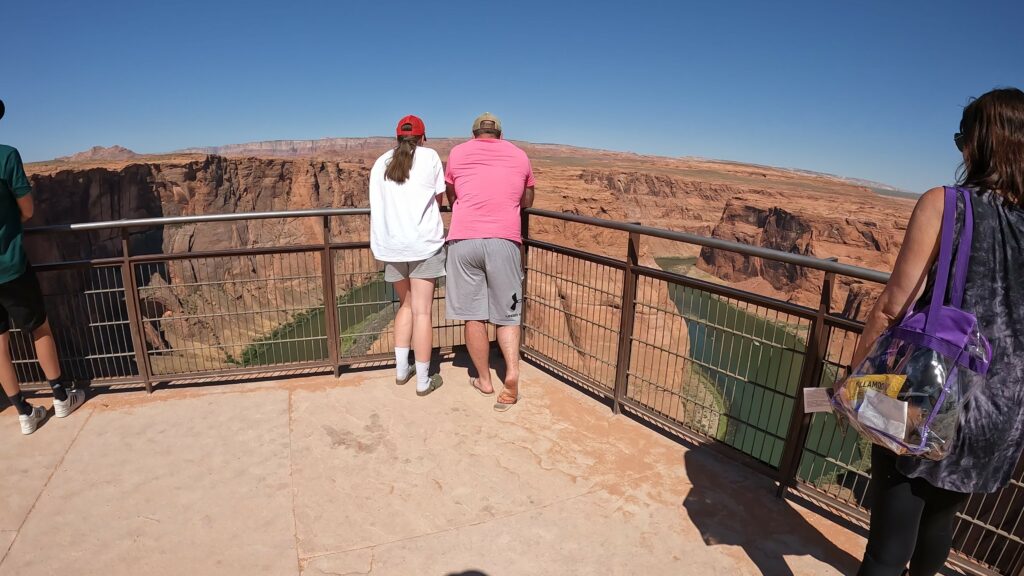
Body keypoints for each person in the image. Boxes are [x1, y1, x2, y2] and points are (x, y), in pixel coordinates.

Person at [850, 87, 1024, 576]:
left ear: (980, 143)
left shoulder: (945, 204)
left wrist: (856, 376)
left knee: (888, 545)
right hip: (1000, 409)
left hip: (930, 391)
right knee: (939, 524)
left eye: (959, 138)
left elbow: (892, 305)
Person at [0, 98, 85, 434]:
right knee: (40, 328)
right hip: (10, 265)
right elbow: (28, 209)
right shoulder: (6, 155)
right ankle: (61, 396)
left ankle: (23, 413)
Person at [444, 112, 535, 411]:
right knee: (507, 315)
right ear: (500, 133)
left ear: (474, 133)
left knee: (474, 315)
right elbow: (527, 200)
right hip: (504, 241)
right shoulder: (519, 155)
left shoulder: (457, 153)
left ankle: (484, 380)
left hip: (464, 240)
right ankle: (512, 374)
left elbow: (452, 192)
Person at [369, 115, 445, 396]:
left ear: (397, 138)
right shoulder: (430, 157)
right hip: (424, 245)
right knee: (423, 312)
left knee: (405, 305)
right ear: (423, 137)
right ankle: (424, 381)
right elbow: (438, 200)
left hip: (392, 246)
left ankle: (402, 370)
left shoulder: (380, 163)